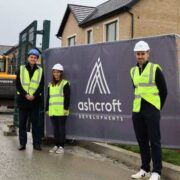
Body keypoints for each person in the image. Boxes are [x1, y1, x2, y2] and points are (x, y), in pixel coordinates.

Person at [130, 41, 167, 180]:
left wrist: (157, 108)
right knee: (142, 141)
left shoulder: (155, 68)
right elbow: (136, 90)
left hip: (151, 110)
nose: (140, 56)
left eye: (143, 53)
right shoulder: (133, 71)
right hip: (137, 110)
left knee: (155, 141)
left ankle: (156, 172)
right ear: (135, 54)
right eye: (138, 54)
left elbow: (164, 91)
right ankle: (145, 169)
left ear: (148, 54)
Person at [16, 48, 44, 151]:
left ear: (37, 59)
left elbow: (41, 85)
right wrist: (26, 94)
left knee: (35, 124)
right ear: (28, 58)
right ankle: (22, 144)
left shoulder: (40, 71)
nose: (33, 59)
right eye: (31, 57)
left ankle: (36, 144)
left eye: (35, 57)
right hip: (23, 100)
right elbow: (18, 84)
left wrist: (34, 95)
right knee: (22, 123)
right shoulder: (21, 68)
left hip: (35, 101)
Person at [46, 63, 70, 154]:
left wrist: (66, 109)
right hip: (52, 110)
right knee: (55, 128)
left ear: (61, 73)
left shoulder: (65, 83)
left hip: (61, 110)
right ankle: (56, 145)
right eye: (54, 72)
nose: (56, 74)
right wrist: (47, 109)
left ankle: (61, 146)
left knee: (61, 129)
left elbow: (67, 97)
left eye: (58, 72)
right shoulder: (50, 84)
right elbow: (48, 97)